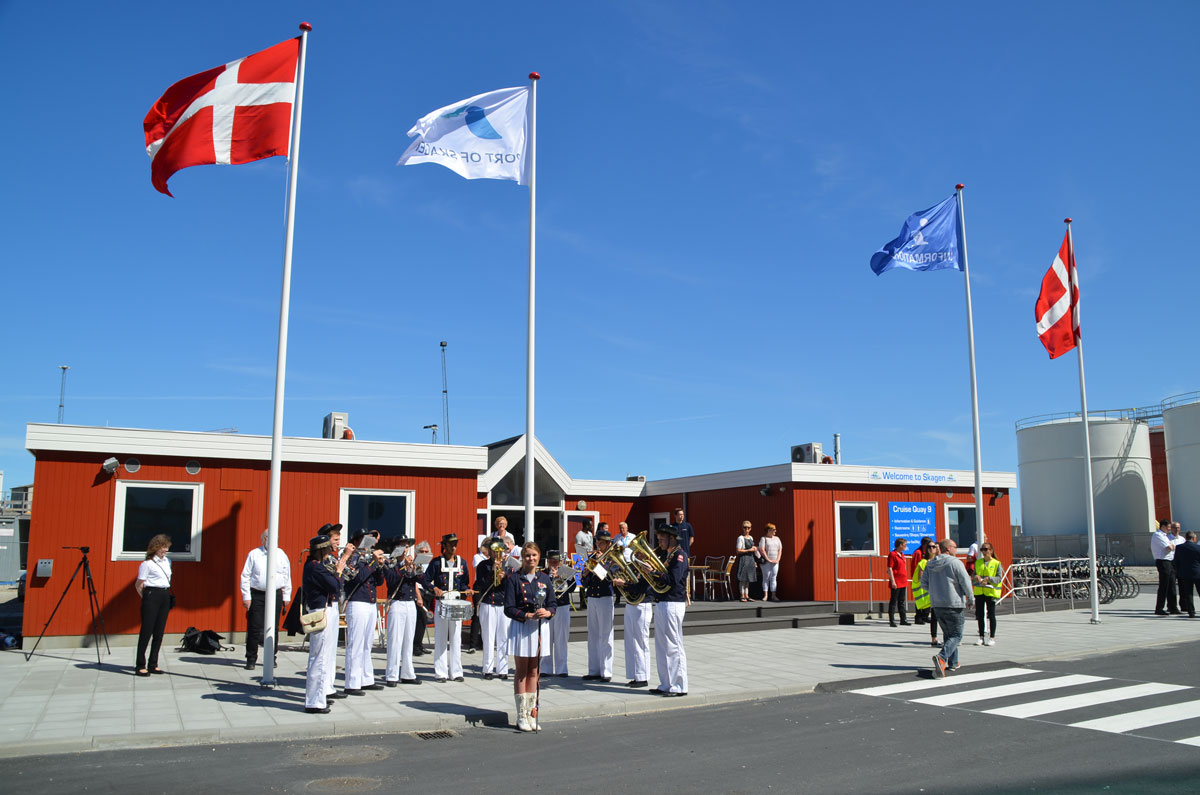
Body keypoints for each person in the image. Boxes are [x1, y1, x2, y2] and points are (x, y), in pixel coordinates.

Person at [505, 542, 556, 732]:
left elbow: (553, 603)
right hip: (522, 627)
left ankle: (531, 713)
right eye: (527, 556)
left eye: (534, 555)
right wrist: (526, 615)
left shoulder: (544, 578)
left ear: (539, 556)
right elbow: (508, 608)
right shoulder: (514, 579)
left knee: (534, 671)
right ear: (522, 558)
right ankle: (521, 715)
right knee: (522, 671)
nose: (531, 559)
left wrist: (548, 612)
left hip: (539, 628)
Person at [239, 529, 293, 671]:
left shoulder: (281, 555)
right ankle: (251, 658)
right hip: (258, 594)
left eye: (276, 538)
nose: (274, 541)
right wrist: (246, 596)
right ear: (264, 539)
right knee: (254, 627)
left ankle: (271, 657)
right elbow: (245, 576)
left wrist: (286, 595)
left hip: (275, 594)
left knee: (273, 628)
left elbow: (286, 575)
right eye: (270, 538)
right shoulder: (254, 554)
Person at [302, 533, 343, 713]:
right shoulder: (315, 567)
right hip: (320, 612)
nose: (329, 553)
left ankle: (321, 695)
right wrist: (339, 571)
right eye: (327, 550)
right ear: (321, 551)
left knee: (323, 656)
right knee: (319, 658)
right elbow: (335, 586)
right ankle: (314, 702)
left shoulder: (315, 566)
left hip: (323, 609)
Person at [921, 539, 974, 678]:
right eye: (955, 547)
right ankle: (942, 657)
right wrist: (971, 598)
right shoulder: (955, 562)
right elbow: (965, 581)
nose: (956, 549)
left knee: (948, 634)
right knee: (956, 635)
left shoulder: (930, 564)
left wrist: (936, 591)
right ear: (948, 548)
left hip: (937, 604)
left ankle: (953, 662)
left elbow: (924, 584)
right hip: (953, 603)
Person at [423, 533, 471, 682]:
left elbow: (464, 583)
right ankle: (441, 672)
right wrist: (434, 588)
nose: (454, 547)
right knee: (441, 638)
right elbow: (425, 580)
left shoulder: (462, 562)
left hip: (456, 602)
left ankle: (456, 672)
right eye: (451, 544)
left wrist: (466, 590)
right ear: (444, 546)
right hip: (442, 602)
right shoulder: (436, 563)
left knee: (456, 638)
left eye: (455, 544)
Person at [342, 531, 385, 694]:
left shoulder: (368, 557)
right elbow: (358, 577)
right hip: (357, 602)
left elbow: (379, 582)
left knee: (367, 644)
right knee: (356, 644)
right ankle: (352, 683)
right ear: (356, 541)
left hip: (370, 603)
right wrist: (373, 563)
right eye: (363, 539)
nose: (368, 543)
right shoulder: (352, 557)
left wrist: (379, 566)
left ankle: (366, 679)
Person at [651, 524, 689, 696]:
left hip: (673, 603)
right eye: (658, 539)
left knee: (673, 645)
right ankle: (666, 683)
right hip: (663, 602)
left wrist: (654, 572)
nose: (659, 542)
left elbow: (673, 579)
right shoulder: (667, 555)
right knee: (662, 646)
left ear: (672, 538)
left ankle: (679, 685)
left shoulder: (679, 555)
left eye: (662, 539)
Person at [381, 537, 423, 686]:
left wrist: (416, 569)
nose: (406, 549)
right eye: (403, 546)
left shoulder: (410, 563)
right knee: (395, 641)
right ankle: (391, 675)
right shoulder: (390, 563)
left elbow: (420, 580)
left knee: (408, 641)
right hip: (397, 603)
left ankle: (407, 673)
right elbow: (391, 580)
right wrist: (403, 567)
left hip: (410, 603)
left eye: (407, 546)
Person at [134, 534, 174, 677]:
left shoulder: (167, 561)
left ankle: (153, 663)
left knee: (159, 632)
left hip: (165, 594)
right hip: (151, 595)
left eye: (167, 547)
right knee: (146, 631)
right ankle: (140, 665)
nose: (165, 550)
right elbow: (139, 584)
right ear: (156, 547)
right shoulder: (147, 564)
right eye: (163, 547)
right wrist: (146, 598)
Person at [613, 550, 652, 689]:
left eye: (639, 553)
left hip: (642, 604)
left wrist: (624, 584)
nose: (636, 556)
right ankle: (635, 674)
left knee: (640, 641)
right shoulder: (633, 567)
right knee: (630, 641)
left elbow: (642, 587)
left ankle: (643, 676)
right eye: (636, 553)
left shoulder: (648, 567)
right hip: (631, 603)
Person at [319, 523, 348, 702]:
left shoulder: (332, 558)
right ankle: (321, 688)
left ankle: (328, 686)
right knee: (323, 651)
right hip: (324, 606)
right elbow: (333, 582)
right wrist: (343, 562)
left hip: (334, 605)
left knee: (331, 650)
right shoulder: (323, 560)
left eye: (338, 539)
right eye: (335, 539)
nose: (338, 542)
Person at [582, 527, 615, 682]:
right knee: (593, 634)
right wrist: (585, 574)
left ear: (608, 544)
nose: (598, 545)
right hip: (592, 597)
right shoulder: (592, 557)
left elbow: (607, 577)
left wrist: (599, 563)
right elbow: (584, 582)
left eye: (601, 543)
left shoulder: (612, 559)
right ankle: (594, 670)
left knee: (606, 635)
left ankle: (606, 671)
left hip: (605, 597)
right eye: (597, 542)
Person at [475, 540, 511, 680]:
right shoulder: (483, 565)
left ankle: (503, 669)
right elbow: (480, 584)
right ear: (489, 551)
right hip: (488, 603)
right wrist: (492, 573)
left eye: (500, 550)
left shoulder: (508, 565)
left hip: (503, 604)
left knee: (504, 638)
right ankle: (487, 669)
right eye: (494, 550)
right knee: (488, 637)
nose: (497, 553)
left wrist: (505, 576)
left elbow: (512, 585)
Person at [541, 550, 574, 677]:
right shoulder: (543, 573)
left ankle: (562, 669)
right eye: (550, 562)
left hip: (562, 606)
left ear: (560, 562)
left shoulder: (565, 572)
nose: (553, 564)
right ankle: (545, 668)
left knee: (561, 638)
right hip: (547, 608)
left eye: (555, 562)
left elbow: (572, 588)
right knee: (546, 638)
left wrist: (560, 577)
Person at [971, 542, 1003, 645]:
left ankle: (992, 637)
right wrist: (976, 577)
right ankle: (981, 637)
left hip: (991, 592)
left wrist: (989, 579)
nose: (984, 552)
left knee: (991, 615)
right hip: (979, 591)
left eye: (986, 549)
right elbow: (974, 575)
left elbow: (999, 578)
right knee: (980, 615)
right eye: (982, 550)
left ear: (991, 551)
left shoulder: (996, 563)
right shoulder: (978, 562)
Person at [1151, 519, 1182, 615]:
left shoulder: (1164, 536)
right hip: (1163, 561)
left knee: (1172, 585)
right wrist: (1172, 547)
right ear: (1163, 526)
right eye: (1169, 527)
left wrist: (1172, 547)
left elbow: (1171, 547)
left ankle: (1173, 607)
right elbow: (1169, 548)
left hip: (1170, 561)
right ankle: (1159, 608)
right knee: (1164, 585)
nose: (1170, 529)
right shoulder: (1158, 535)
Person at [1174, 530, 1200, 618]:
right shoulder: (1198, 548)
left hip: (1184, 573)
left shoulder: (1179, 547)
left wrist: (1179, 571)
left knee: (1188, 594)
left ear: (1186, 538)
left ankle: (1191, 612)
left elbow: (1176, 561)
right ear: (1194, 538)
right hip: (1197, 573)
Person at [886, 537, 910, 627]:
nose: (905, 547)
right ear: (900, 545)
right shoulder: (893, 554)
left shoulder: (902, 555)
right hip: (896, 581)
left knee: (901, 601)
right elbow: (890, 568)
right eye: (904, 545)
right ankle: (892, 620)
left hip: (903, 580)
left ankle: (903, 619)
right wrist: (893, 581)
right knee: (893, 601)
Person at [910, 537, 934, 625]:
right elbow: (916, 566)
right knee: (920, 600)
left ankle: (925, 616)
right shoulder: (918, 553)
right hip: (920, 580)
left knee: (927, 598)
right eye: (929, 546)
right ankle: (919, 617)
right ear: (925, 545)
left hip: (926, 579)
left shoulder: (926, 553)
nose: (931, 548)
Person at [758, 523, 782, 602]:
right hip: (766, 562)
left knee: (774, 577)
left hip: (775, 561)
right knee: (766, 577)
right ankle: (765, 595)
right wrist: (768, 559)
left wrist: (778, 559)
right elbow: (762, 550)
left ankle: (773, 595)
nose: (775, 531)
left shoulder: (777, 539)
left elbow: (780, 549)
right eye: (773, 529)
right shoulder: (763, 539)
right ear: (769, 530)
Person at [734, 521, 758, 602]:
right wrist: (749, 550)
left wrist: (754, 561)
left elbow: (753, 550)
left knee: (748, 579)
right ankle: (742, 595)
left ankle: (747, 595)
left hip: (750, 559)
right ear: (742, 528)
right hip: (744, 559)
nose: (746, 529)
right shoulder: (740, 538)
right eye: (745, 527)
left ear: (750, 528)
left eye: (748, 528)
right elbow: (738, 551)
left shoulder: (751, 537)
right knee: (742, 578)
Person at [575, 520, 594, 609]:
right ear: (586, 525)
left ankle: (589, 598)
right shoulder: (579, 535)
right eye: (590, 525)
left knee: (590, 578)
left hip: (590, 557)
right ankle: (582, 601)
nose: (592, 527)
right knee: (582, 579)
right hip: (582, 558)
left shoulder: (590, 534)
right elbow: (578, 549)